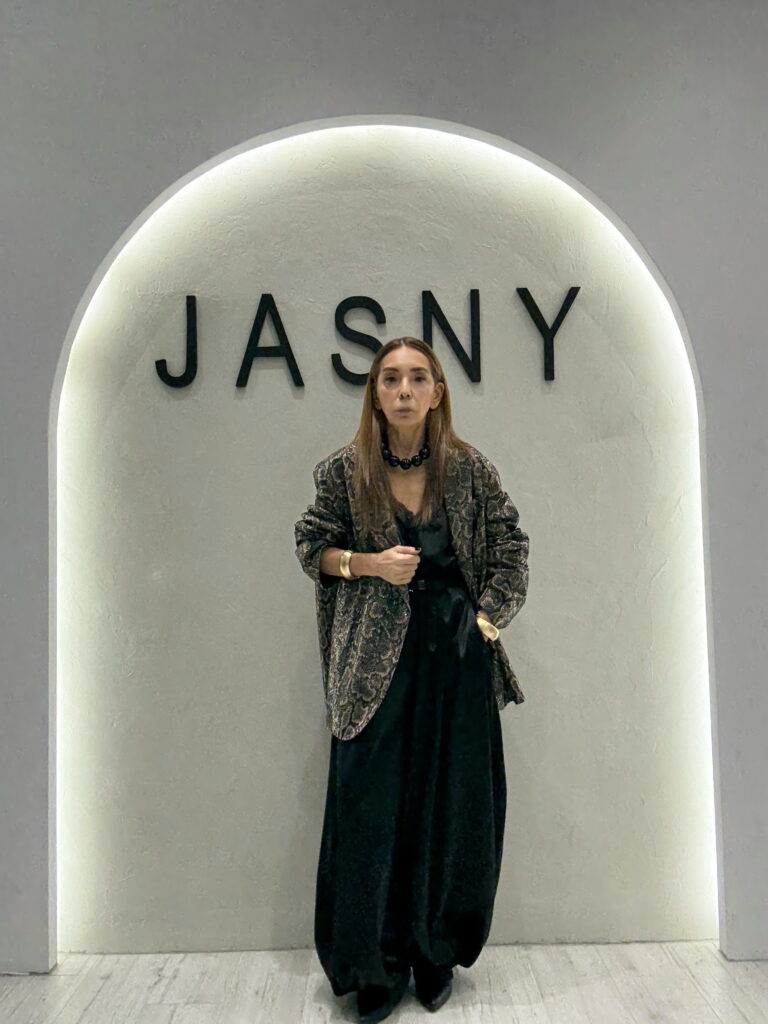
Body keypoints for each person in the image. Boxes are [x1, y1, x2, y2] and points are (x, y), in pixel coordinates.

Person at [294, 336, 529, 1023]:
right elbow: (311, 545)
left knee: (453, 807)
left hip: (455, 658)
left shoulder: (471, 471)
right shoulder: (344, 472)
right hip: (372, 662)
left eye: (417, 378)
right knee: (369, 808)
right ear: (375, 393)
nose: (403, 390)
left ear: (437, 392)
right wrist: (368, 564)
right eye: (390, 378)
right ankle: (372, 964)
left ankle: (435, 954)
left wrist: (485, 622)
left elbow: (512, 549)